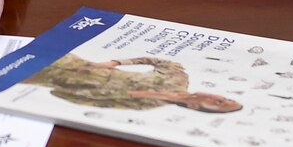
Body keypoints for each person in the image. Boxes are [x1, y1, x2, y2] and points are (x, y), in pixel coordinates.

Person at [29, 56, 242, 113]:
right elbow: (157, 61)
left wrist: (62, 90)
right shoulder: (178, 79)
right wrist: (114, 63)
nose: (218, 97)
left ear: (196, 107)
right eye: (225, 98)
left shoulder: (147, 105)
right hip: (74, 63)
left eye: (219, 104)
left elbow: (94, 103)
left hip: (50, 80)